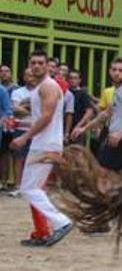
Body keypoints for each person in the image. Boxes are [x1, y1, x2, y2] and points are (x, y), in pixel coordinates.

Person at [10, 50, 72, 247]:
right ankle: (43, 232)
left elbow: (46, 117)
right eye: (33, 63)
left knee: (29, 189)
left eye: (40, 63)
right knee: (32, 189)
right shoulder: (41, 88)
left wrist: (24, 137)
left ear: (47, 66)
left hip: (45, 145)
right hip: (44, 143)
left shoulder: (48, 87)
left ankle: (61, 222)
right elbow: (42, 117)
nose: (36, 66)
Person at [81, 58, 122, 237]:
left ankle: (106, 222)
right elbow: (106, 114)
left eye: (121, 70)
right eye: (114, 69)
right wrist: (84, 128)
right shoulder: (118, 91)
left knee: (102, 179)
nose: (117, 73)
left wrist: (120, 133)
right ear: (110, 71)